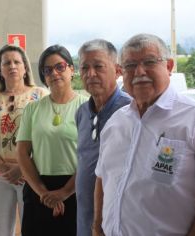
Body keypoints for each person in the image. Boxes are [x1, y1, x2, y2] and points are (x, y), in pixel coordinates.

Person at [93, 33, 195, 236]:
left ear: (169, 67)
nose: (139, 71)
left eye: (149, 62)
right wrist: (97, 228)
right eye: (129, 65)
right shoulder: (116, 122)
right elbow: (102, 178)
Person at [0, 44, 48, 236]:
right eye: (6, 62)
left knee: (33, 228)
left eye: (17, 62)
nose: (12, 66)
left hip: (31, 173)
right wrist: (0, 166)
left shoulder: (40, 95)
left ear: (25, 67)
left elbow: (47, 137)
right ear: (0, 69)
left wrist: (22, 167)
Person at [16, 45, 88, 236]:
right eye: (47, 70)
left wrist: (64, 192)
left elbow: (91, 158)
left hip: (75, 188)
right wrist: (42, 193)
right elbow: (22, 153)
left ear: (72, 70)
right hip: (38, 188)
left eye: (60, 67)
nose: (54, 73)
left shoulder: (87, 108)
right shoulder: (33, 109)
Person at [75, 39, 131, 236]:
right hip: (84, 218)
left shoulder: (131, 111)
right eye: (84, 68)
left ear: (117, 71)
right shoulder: (82, 112)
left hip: (117, 222)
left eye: (98, 66)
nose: (90, 74)